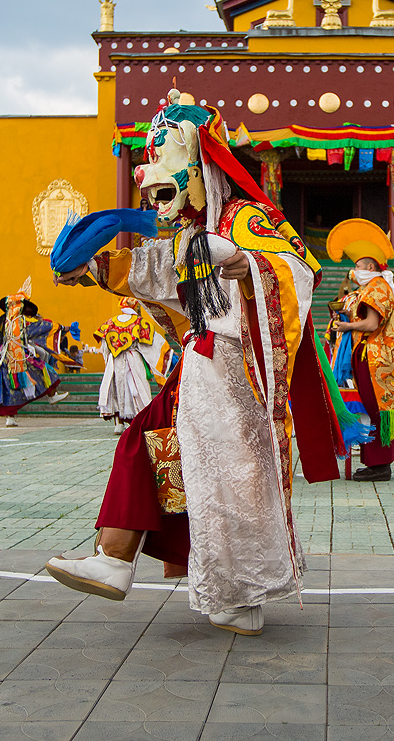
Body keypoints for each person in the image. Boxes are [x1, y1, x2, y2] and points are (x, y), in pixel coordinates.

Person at [45, 91, 342, 635]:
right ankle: (115, 558)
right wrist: (90, 265)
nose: (161, 204)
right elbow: (154, 270)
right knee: (151, 448)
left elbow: (298, 267)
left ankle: (238, 594)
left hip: (238, 376)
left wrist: (243, 261)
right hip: (198, 369)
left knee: (232, 480)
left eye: (167, 188)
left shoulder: (243, 218)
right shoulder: (188, 233)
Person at [327, 220, 394, 481]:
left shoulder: (378, 287)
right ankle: (375, 462)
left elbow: (371, 323)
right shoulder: (370, 288)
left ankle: (381, 465)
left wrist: (346, 325)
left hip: (377, 359)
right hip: (367, 356)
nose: (355, 270)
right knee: (372, 409)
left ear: (371, 267)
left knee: (377, 409)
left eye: (358, 265)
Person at [0, 291, 64, 426]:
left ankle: (10, 417)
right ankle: (52, 395)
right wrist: (60, 327)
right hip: (20, 357)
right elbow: (40, 328)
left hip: (4, 358)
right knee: (42, 369)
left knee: (8, 387)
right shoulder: (21, 322)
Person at [93, 298, 165, 432]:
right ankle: (137, 420)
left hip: (114, 360)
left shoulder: (110, 322)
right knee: (136, 389)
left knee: (115, 388)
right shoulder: (139, 322)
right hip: (133, 358)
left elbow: (104, 347)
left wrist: (107, 361)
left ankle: (118, 422)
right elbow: (152, 344)